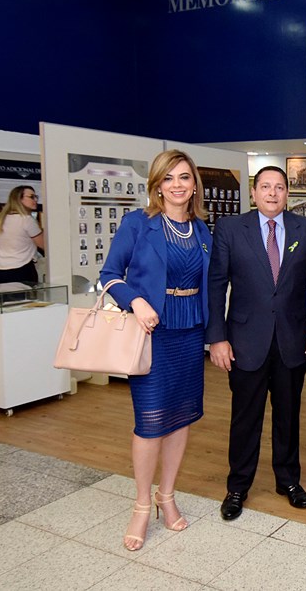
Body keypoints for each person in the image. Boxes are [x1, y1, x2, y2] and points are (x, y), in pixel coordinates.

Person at [98, 149, 212, 551]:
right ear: (157, 185)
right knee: (150, 422)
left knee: (181, 418)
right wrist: (136, 301)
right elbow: (109, 274)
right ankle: (142, 504)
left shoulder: (202, 230)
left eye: (184, 177)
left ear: (194, 185)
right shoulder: (138, 223)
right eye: (168, 178)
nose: (177, 185)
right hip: (151, 334)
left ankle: (167, 495)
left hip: (189, 331)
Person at [208, 166, 306, 518]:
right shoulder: (230, 229)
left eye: (279, 187)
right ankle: (237, 487)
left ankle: (288, 481)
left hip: (293, 340)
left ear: (287, 193)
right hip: (244, 341)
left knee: (288, 416)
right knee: (244, 418)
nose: (272, 193)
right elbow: (216, 285)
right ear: (254, 193)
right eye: (265, 187)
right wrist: (216, 338)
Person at [0, 186, 43, 285]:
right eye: (31, 197)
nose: (35, 200)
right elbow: (43, 245)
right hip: (22, 270)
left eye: (36, 197)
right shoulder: (27, 220)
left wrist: (8, 253)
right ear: (18, 199)